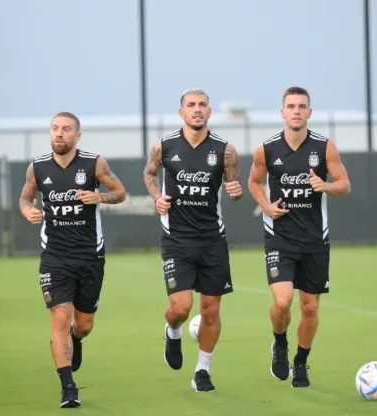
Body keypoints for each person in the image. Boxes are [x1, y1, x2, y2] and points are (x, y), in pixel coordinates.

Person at [19, 112, 127, 408]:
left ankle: (76, 340)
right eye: (54, 129)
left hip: (90, 256)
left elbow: (120, 192)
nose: (59, 134)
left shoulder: (95, 163)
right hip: (55, 256)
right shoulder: (37, 167)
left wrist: (100, 198)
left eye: (66, 130)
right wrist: (27, 210)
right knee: (59, 317)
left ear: (77, 136)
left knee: (84, 324)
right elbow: (26, 198)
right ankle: (68, 387)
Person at [247, 86, 351, 388]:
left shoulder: (324, 147)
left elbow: (344, 184)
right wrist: (266, 206)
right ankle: (280, 343)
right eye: (290, 106)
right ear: (282, 112)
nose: (296, 111)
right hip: (280, 238)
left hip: (315, 240)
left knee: (310, 307)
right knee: (282, 302)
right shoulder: (266, 149)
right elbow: (254, 181)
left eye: (301, 106)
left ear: (309, 112)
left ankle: (301, 362)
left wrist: (325, 186)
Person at [142, 88, 243, 392]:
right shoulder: (163, 147)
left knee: (211, 309)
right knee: (182, 308)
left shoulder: (225, 151)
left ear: (209, 111)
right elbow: (149, 175)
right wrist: (157, 197)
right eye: (191, 105)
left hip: (212, 240)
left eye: (202, 105)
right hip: (177, 240)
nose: (197, 109)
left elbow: (232, 184)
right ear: (181, 112)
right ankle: (172, 331)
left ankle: (202, 370)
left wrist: (236, 192)